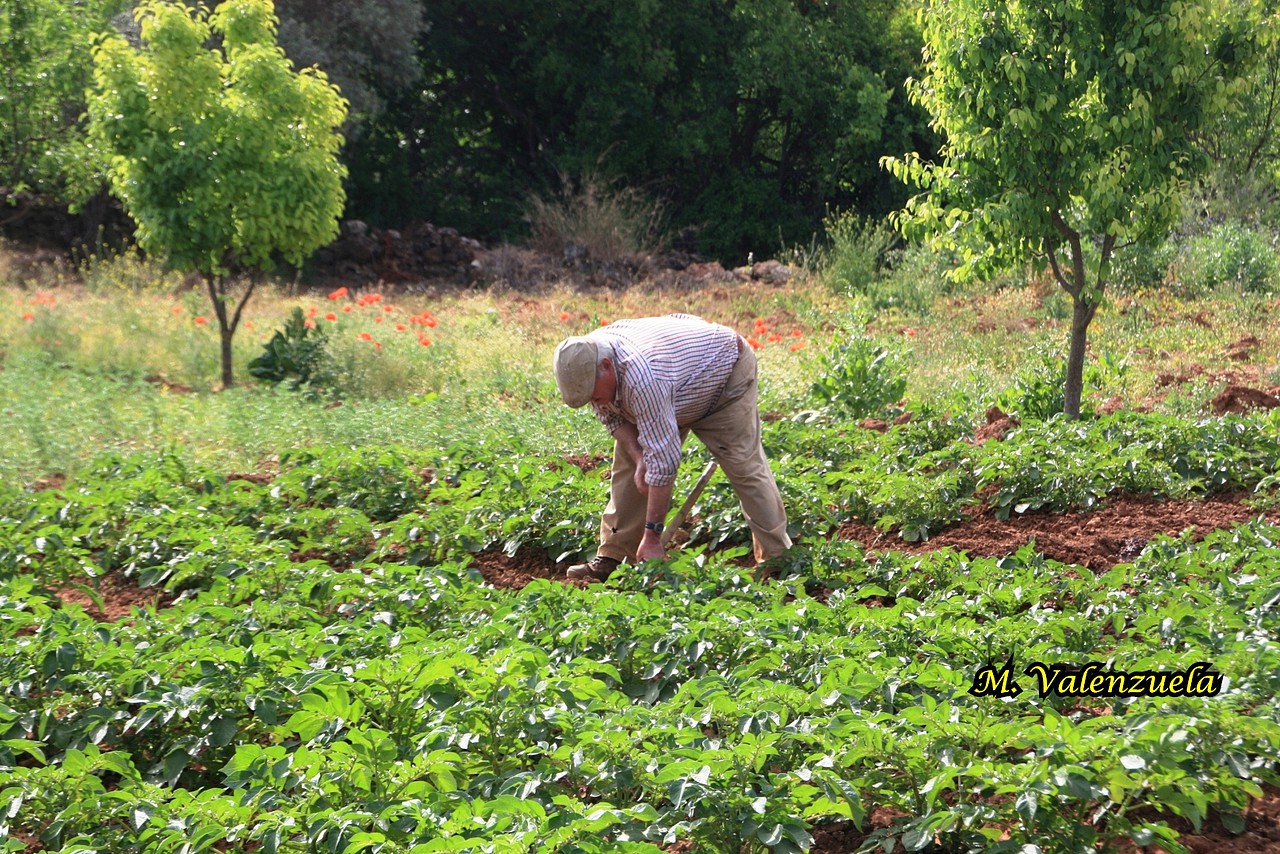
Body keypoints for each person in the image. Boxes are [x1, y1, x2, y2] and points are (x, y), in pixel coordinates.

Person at [552, 313, 791, 581]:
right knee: (631, 465)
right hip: (676, 379)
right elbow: (612, 417)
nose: (595, 402)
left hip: (722, 376)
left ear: (607, 366)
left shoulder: (643, 378)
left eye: (594, 395)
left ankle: (779, 562)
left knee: (743, 465)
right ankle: (614, 557)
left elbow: (664, 464)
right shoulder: (587, 360)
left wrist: (653, 536)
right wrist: (639, 455)